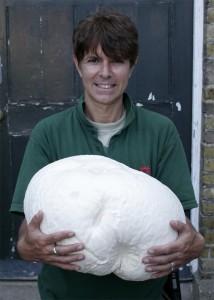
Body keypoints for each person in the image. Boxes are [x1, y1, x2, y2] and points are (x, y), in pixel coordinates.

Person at [10, 11, 205, 300]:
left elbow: (177, 224)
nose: (105, 72)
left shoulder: (160, 131)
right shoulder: (48, 133)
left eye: (116, 61)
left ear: (132, 65)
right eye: (93, 60)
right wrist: (31, 247)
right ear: (77, 65)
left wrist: (196, 244)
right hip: (64, 295)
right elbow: (27, 240)